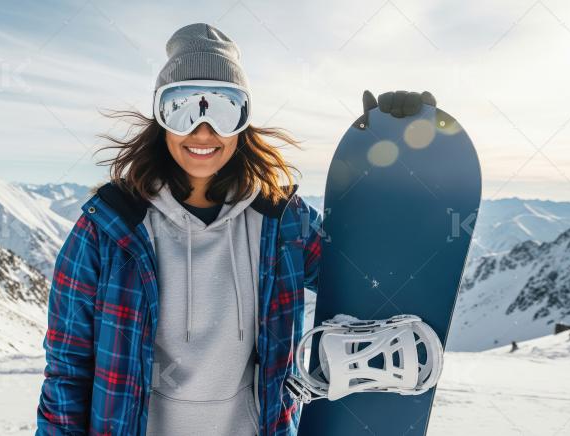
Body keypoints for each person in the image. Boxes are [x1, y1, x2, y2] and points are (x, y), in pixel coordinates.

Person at [36, 22, 434, 436]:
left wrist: (399, 157)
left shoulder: (281, 222)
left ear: (244, 120)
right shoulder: (108, 228)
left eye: (225, 109)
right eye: (183, 107)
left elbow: (367, 276)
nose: (203, 130)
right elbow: (67, 368)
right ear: (161, 117)